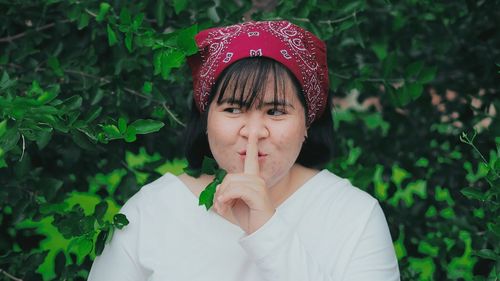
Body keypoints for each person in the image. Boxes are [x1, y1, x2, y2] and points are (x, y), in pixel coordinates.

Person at [88, 20, 400, 281]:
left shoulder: (353, 216)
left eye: (276, 111)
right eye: (234, 109)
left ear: (308, 121)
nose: (253, 132)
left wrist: (267, 228)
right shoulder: (151, 211)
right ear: (206, 117)